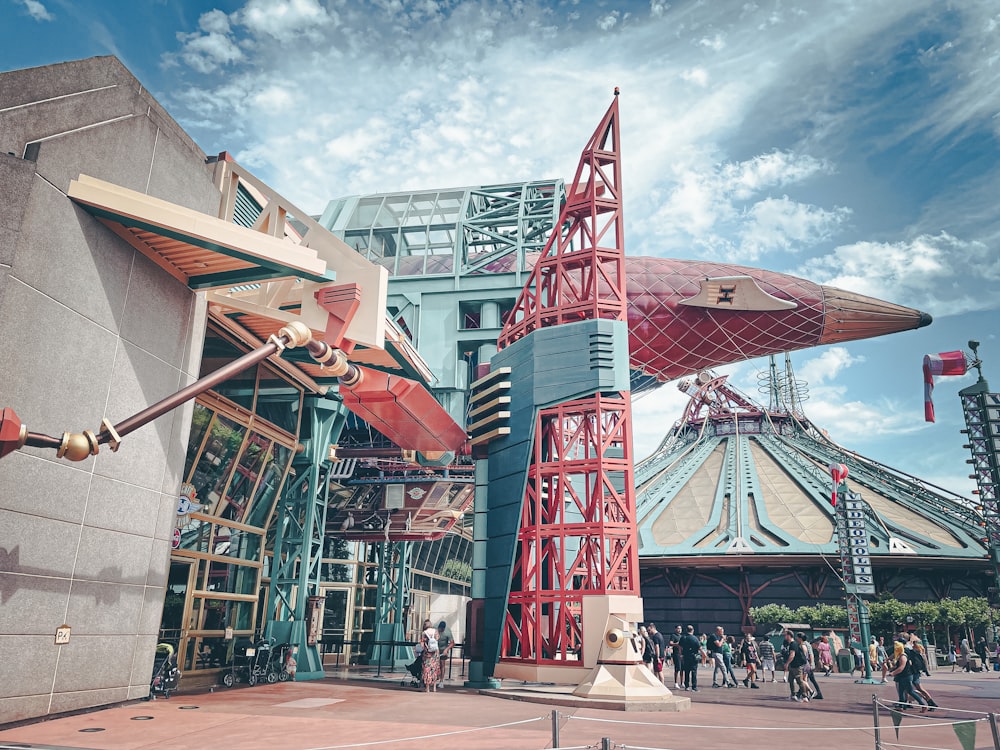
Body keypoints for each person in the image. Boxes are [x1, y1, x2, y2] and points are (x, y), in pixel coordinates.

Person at [889, 638, 926, 712]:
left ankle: (923, 704)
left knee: (910, 691)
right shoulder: (900, 655)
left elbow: (901, 667)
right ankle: (901, 706)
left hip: (906, 676)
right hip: (902, 676)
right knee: (901, 691)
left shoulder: (903, 656)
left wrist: (893, 673)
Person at [906, 635, 937, 710]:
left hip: (914, 671)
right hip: (916, 671)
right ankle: (930, 702)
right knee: (917, 689)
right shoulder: (916, 648)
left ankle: (931, 702)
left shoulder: (913, 649)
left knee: (917, 688)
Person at [783, 630, 810, 702]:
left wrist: (787, 663)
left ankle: (805, 697)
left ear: (789, 636)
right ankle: (793, 695)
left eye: (785, 635)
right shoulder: (791, 644)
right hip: (793, 665)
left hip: (796, 665)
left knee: (800, 681)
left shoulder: (793, 644)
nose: (784, 637)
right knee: (790, 680)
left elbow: (792, 655)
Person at [799, 632, 823, 699]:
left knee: (804, 679)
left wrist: (812, 663)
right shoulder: (807, 644)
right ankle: (804, 693)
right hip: (809, 664)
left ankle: (807, 693)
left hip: (807, 665)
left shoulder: (806, 644)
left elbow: (811, 655)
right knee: (810, 679)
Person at [419, 619, 440, 693]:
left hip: (427, 653)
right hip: (435, 653)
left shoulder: (424, 633)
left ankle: (427, 688)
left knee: (427, 669)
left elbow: (422, 644)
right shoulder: (435, 631)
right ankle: (434, 687)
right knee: (434, 669)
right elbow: (437, 639)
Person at [679, 624, 701, 692]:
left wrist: (681, 655)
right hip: (694, 656)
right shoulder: (695, 638)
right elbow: (699, 648)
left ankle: (687, 686)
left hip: (686, 656)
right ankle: (694, 687)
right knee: (694, 672)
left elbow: (680, 647)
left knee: (687, 671)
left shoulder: (683, 637)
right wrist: (704, 655)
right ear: (693, 630)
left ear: (686, 630)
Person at [436, 620, 454, 687]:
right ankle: (434, 678)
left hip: (443, 649)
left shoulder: (448, 632)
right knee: (434, 663)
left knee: (442, 664)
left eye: (442, 629)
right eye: (440, 629)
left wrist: (446, 649)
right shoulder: (435, 629)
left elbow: (452, 642)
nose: (441, 630)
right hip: (435, 649)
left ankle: (441, 681)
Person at [669, 625, 684, 689]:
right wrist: (676, 644)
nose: (679, 630)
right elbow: (670, 643)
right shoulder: (673, 635)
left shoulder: (682, 636)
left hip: (682, 654)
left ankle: (682, 682)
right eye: (678, 628)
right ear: (675, 629)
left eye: (680, 628)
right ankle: (676, 683)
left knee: (682, 669)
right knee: (677, 668)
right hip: (676, 654)